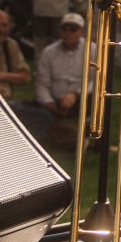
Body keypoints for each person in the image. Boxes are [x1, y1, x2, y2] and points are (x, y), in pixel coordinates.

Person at [35, 12, 88, 147]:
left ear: (81, 32)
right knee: (39, 112)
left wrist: (76, 95)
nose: (68, 33)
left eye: (73, 29)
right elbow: (42, 83)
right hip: (55, 100)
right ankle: (73, 140)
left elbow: (96, 81)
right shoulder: (49, 52)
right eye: (65, 29)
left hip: (83, 98)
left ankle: (75, 137)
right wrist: (49, 102)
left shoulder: (92, 50)